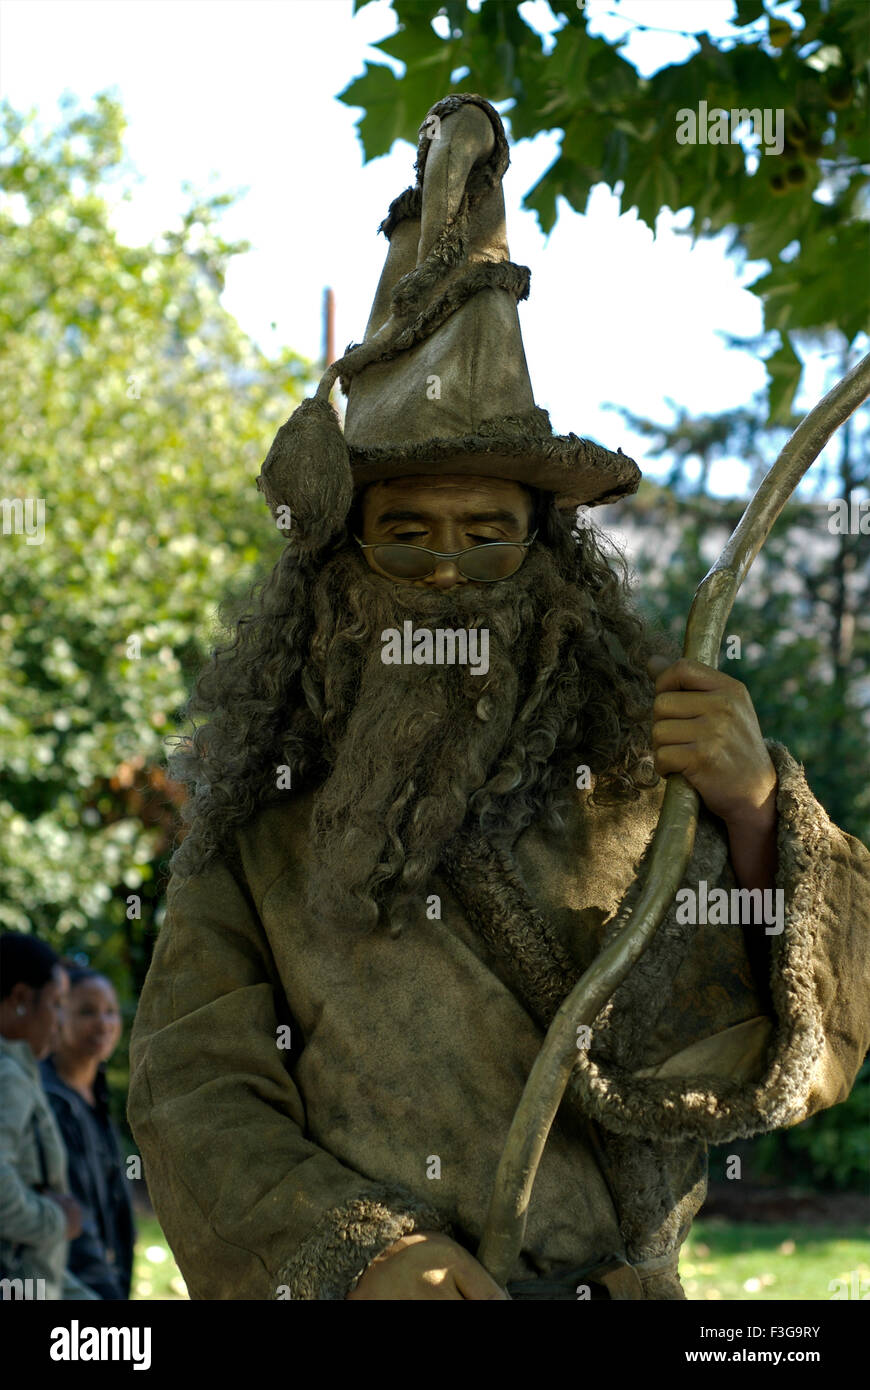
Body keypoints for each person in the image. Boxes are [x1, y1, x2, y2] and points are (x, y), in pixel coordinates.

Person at [127, 94, 870, 1301]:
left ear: (548, 553)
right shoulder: (257, 825)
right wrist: (364, 1253)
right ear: (333, 563)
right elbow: (192, 1085)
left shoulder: (648, 776)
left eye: (487, 532)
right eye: (403, 530)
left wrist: (750, 810)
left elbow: (788, 1051)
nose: (444, 568)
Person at [0, 933, 101, 1300]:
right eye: (57, 1004)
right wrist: (57, 1221)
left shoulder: (20, 1071)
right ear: (21, 999)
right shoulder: (7, 1075)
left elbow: (37, 1269)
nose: (60, 1021)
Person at [41, 966, 135, 1300]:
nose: (104, 1023)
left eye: (110, 1011)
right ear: (57, 1018)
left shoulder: (96, 1093)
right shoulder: (48, 1102)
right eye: (87, 1012)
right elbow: (73, 1221)